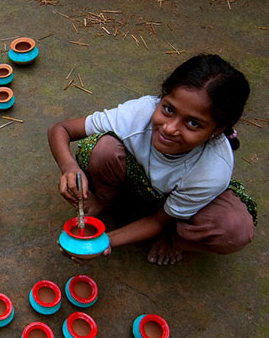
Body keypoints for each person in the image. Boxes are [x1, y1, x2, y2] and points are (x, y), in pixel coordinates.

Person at [48, 54, 257, 265]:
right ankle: (107, 198)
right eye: (168, 109)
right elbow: (61, 129)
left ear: (218, 130)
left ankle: (174, 238)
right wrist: (69, 167)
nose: (169, 128)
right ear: (162, 97)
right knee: (102, 150)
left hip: (182, 207)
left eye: (193, 123)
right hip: (144, 181)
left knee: (234, 229)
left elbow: (158, 221)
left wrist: (101, 242)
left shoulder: (212, 170)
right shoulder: (140, 113)